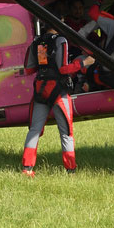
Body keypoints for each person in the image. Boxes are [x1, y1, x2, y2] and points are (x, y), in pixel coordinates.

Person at [21, 25, 91, 176]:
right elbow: (63, 69)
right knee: (66, 132)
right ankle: (70, 170)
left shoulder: (38, 42)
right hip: (59, 91)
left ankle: (27, 169)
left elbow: (28, 68)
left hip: (41, 90)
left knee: (34, 130)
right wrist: (84, 63)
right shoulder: (61, 40)